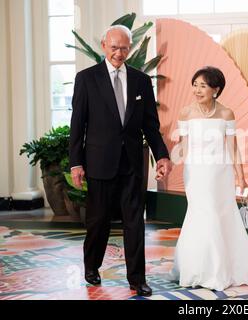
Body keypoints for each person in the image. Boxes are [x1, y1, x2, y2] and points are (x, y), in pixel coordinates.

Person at [69, 25, 172, 297]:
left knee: (134, 222)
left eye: (124, 48)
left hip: (131, 164)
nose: (119, 53)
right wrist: (76, 163)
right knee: (98, 221)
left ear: (130, 48)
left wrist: (161, 154)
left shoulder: (140, 80)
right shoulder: (86, 79)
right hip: (99, 162)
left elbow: (151, 124)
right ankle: (91, 266)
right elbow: (77, 125)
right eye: (114, 47)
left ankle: (137, 279)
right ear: (104, 45)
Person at [170, 66, 248, 291]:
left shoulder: (226, 114)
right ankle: (197, 269)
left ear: (216, 89)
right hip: (195, 173)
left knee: (220, 215)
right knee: (200, 215)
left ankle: (220, 270)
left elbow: (233, 148)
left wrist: (240, 177)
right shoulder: (186, 113)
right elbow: (182, 146)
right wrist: (170, 164)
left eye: (203, 85)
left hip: (220, 173)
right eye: (195, 85)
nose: (197, 90)